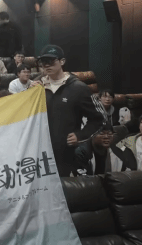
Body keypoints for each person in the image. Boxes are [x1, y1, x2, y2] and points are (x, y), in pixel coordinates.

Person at [33, 45, 105, 177]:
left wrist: (80, 135)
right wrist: (28, 93)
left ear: (62, 61)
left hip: (66, 155)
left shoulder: (79, 88)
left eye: (51, 61)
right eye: (43, 62)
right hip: (39, 152)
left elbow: (98, 118)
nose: (47, 65)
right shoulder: (36, 86)